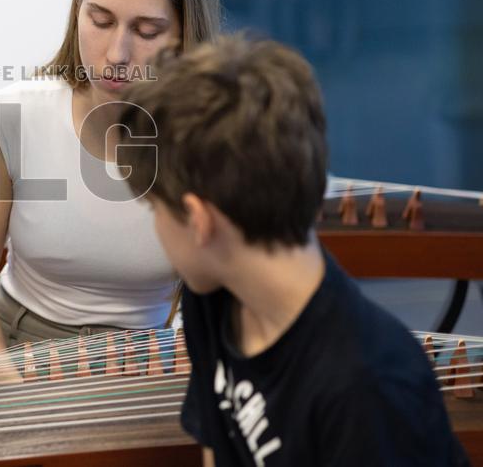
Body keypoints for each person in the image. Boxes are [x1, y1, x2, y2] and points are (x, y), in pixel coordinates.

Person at [118, 36, 469, 466]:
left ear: (198, 221)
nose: (155, 225)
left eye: (155, 208)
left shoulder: (369, 387)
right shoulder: (214, 291)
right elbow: (218, 446)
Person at [0, 0, 220, 353]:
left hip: (143, 363)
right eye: (101, 20)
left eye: (147, 30)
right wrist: (6, 381)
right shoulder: (14, 117)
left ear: (185, 34)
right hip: (14, 346)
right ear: (77, 9)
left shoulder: (214, 144)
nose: (117, 53)